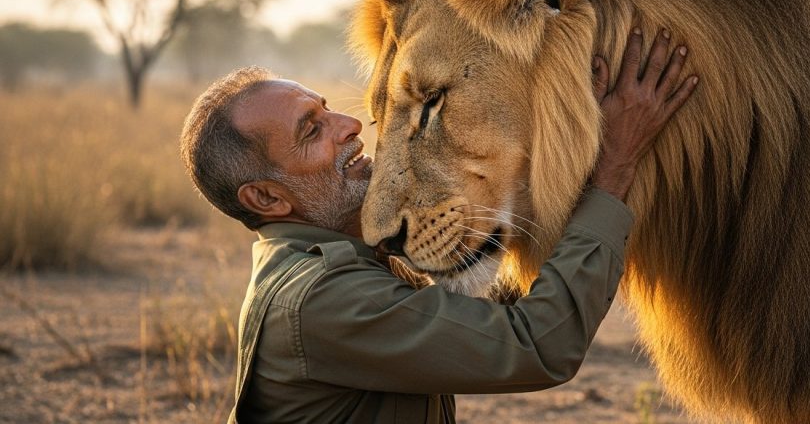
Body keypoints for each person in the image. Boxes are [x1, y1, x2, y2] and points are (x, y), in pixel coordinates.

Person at [179, 28, 699, 423]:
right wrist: (613, 173)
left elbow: (490, 306)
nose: (351, 126)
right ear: (267, 197)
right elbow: (537, 347)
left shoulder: (333, 264)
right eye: (312, 130)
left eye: (328, 108)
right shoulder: (321, 299)